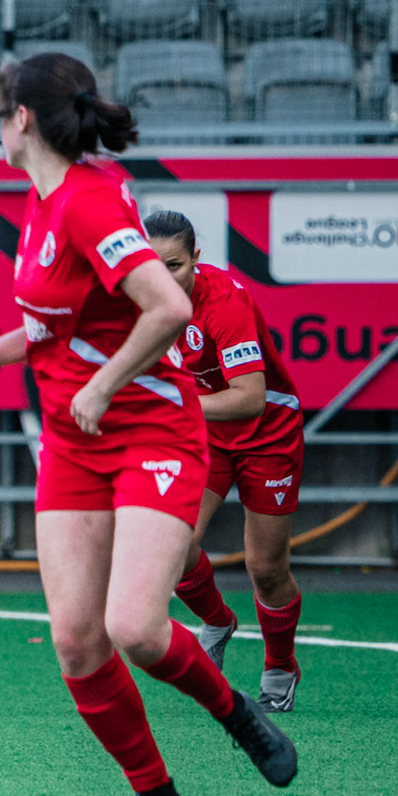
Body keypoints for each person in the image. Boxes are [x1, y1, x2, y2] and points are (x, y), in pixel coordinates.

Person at [0, 53, 296, 796]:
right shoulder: (45, 199)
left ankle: (238, 715)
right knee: (75, 639)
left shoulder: (86, 204)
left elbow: (164, 305)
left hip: (147, 432)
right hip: (73, 445)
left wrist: (104, 385)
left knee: (136, 627)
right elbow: (51, 325)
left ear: (22, 120)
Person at [146, 210, 306, 712]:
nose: (162, 277)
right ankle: (217, 621)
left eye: (174, 265)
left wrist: (169, 406)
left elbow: (250, 399)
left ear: (197, 257)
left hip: (267, 435)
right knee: (174, 544)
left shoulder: (225, 302)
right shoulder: (137, 300)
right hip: (208, 435)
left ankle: (280, 666)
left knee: (264, 567)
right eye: (151, 265)